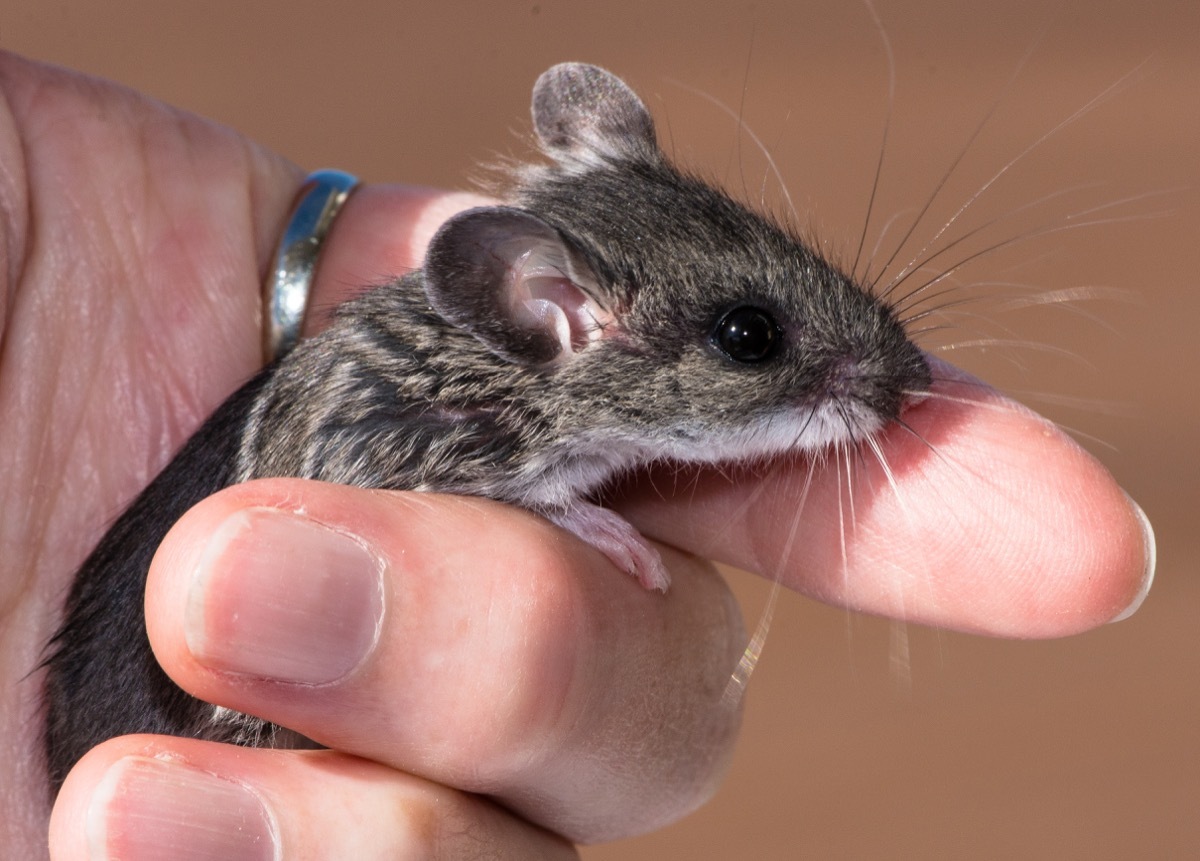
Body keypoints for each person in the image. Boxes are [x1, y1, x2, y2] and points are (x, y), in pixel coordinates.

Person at [0, 51, 1152, 859]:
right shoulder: (427, 405)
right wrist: (548, 510)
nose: (865, 386)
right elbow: (373, 480)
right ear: (557, 316)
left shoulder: (485, 379)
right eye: (753, 342)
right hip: (159, 737)